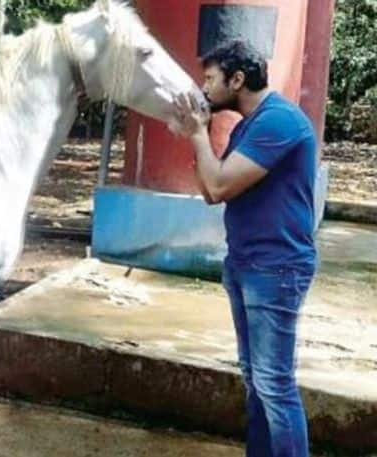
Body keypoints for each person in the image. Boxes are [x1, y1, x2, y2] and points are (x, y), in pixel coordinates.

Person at [173, 40, 317, 457]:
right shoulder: (246, 126)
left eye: (211, 79)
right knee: (256, 378)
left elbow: (217, 185)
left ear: (238, 80)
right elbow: (210, 190)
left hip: (276, 267)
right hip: (245, 262)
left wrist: (199, 133)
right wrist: (196, 140)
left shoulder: (279, 122)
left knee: (275, 384)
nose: (204, 89)